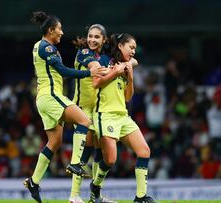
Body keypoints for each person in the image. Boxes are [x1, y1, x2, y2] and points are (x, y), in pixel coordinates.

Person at [23, 11, 107, 203]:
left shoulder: (38, 46)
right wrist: (89, 73)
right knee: (84, 120)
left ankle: (34, 181)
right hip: (51, 96)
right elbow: (63, 71)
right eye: (59, 29)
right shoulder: (48, 48)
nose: (62, 32)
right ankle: (76, 164)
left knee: (54, 142)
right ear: (51, 30)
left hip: (43, 99)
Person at [90, 33, 157, 203]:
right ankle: (96, 185)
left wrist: (130, 76)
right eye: (131, 47)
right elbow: (96, 83)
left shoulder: (126, 66)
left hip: (123, 116)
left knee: (144, 151)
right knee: (111, 160)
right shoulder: (104, 60)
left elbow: (128, 97)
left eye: (135, 48)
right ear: (120, 46)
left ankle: (140, 197)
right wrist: (116, 71)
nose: (134, 51)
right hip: (105, 115)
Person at [68, 24, 117, 203]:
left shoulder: (105, 57)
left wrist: (129, 63)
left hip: (98, 109)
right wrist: (118, 69)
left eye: (97, 37)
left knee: (99, 148)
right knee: (85, 149)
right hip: (81, 109)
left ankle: (94, 196)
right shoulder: (83, 53)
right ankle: (74, 195)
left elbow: (127, 59)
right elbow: (97, 69)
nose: (92, 40)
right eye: (90, 36)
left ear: (104, 40)